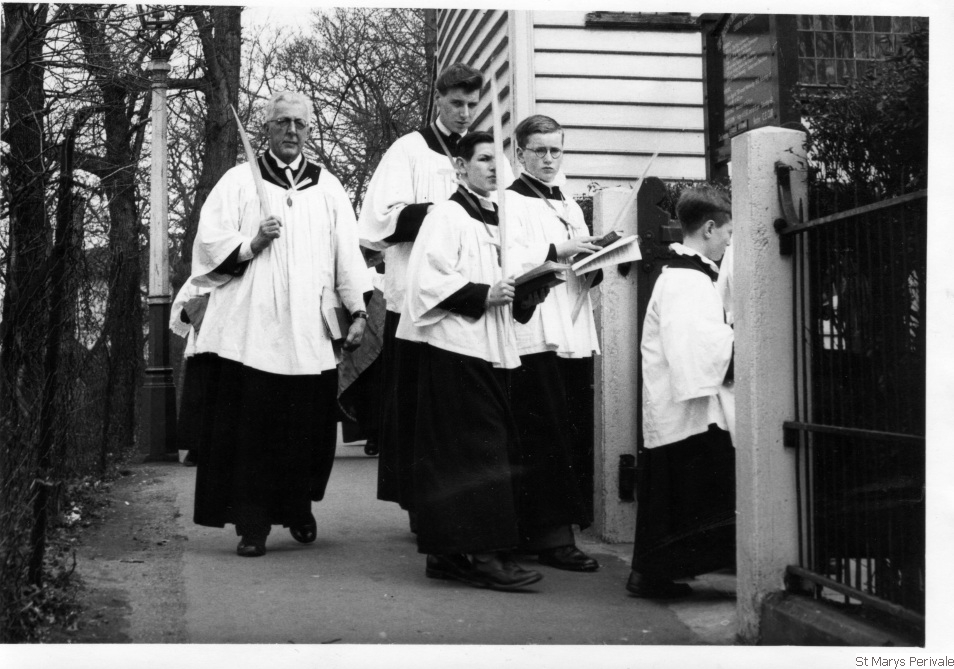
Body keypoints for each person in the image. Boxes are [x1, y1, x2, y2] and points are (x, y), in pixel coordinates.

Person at [187, 91, 372, 557]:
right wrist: (251, 244)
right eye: (283, 122)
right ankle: (252, 525)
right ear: (266, 128)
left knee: (306, 432)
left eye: (300, 124)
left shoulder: (327, 187)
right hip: (253, 332)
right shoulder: (238, 182)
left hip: (307, 332)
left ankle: (298, 508)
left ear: (309, 131)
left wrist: (358, 311)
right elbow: (208, 245)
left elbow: (347, 256)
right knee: (252, 434)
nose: (292, 131)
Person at [358, 63, 512, 523]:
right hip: (417, 298)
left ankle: (454, 507)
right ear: (438, 99)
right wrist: (445, 210)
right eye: (456, 103)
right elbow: (378, 219)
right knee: (415, 408)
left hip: (474, 295)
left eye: (471, 104)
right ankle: (418, 504)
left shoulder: (485, 153)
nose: (464, 113)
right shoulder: (410, 149)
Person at [397, 131, 544, 591]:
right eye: (483, 160)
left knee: (473, 452)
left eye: (498, 160)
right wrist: (485, 294)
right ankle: (483, 556)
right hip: (456, 349)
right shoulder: (447, 215)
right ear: (460, 167)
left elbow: (509, 282)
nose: (494, 168)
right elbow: (425, 283)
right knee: (477, 452)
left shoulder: (497, 218)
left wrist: (530, 290)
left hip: (491, 347)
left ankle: (446, 555)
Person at [504, 114, 603, 571]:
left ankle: (555, 532)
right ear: (519, 152)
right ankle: (549, 538)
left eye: (555, 150)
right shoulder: (509, 202)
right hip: (536, 332)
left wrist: (598, 258)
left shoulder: (568, 203)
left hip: (574, 327)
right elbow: (511, 263)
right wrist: (559, 251)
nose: (548, 159)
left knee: (573, 431)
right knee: (543, 435)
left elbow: (581, 266)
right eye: (539, 150)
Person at [626, 187, 735, 598]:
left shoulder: (686, 274)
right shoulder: (686, 280)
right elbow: (694, 348)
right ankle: (650, 577)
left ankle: (657, 575)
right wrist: (739, 341)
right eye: (727, 232)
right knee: (678, 495)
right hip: (684, 411)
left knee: (677, 497)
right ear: (708, 228)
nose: (728, 242)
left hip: (685, 409)